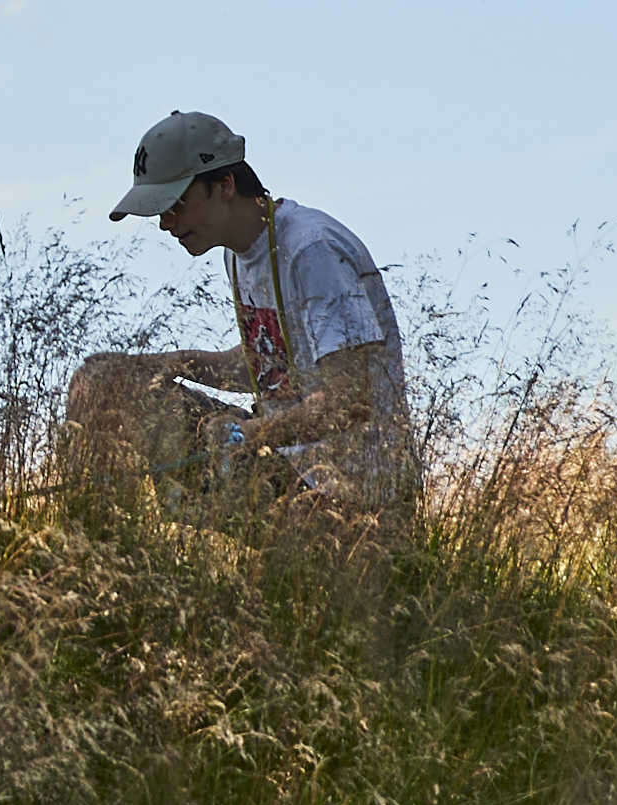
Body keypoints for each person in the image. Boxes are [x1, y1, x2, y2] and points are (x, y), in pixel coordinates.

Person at [59, 111, 423, 517]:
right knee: (103, 379)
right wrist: (177, 363)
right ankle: (90, 536)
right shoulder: (238, 254)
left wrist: (247, 434)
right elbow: (271, 366)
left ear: (225, 185)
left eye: (175, 204)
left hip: (351, 501)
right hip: (286, 464)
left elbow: (349, 403)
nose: (165, 223)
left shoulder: (312, 249)